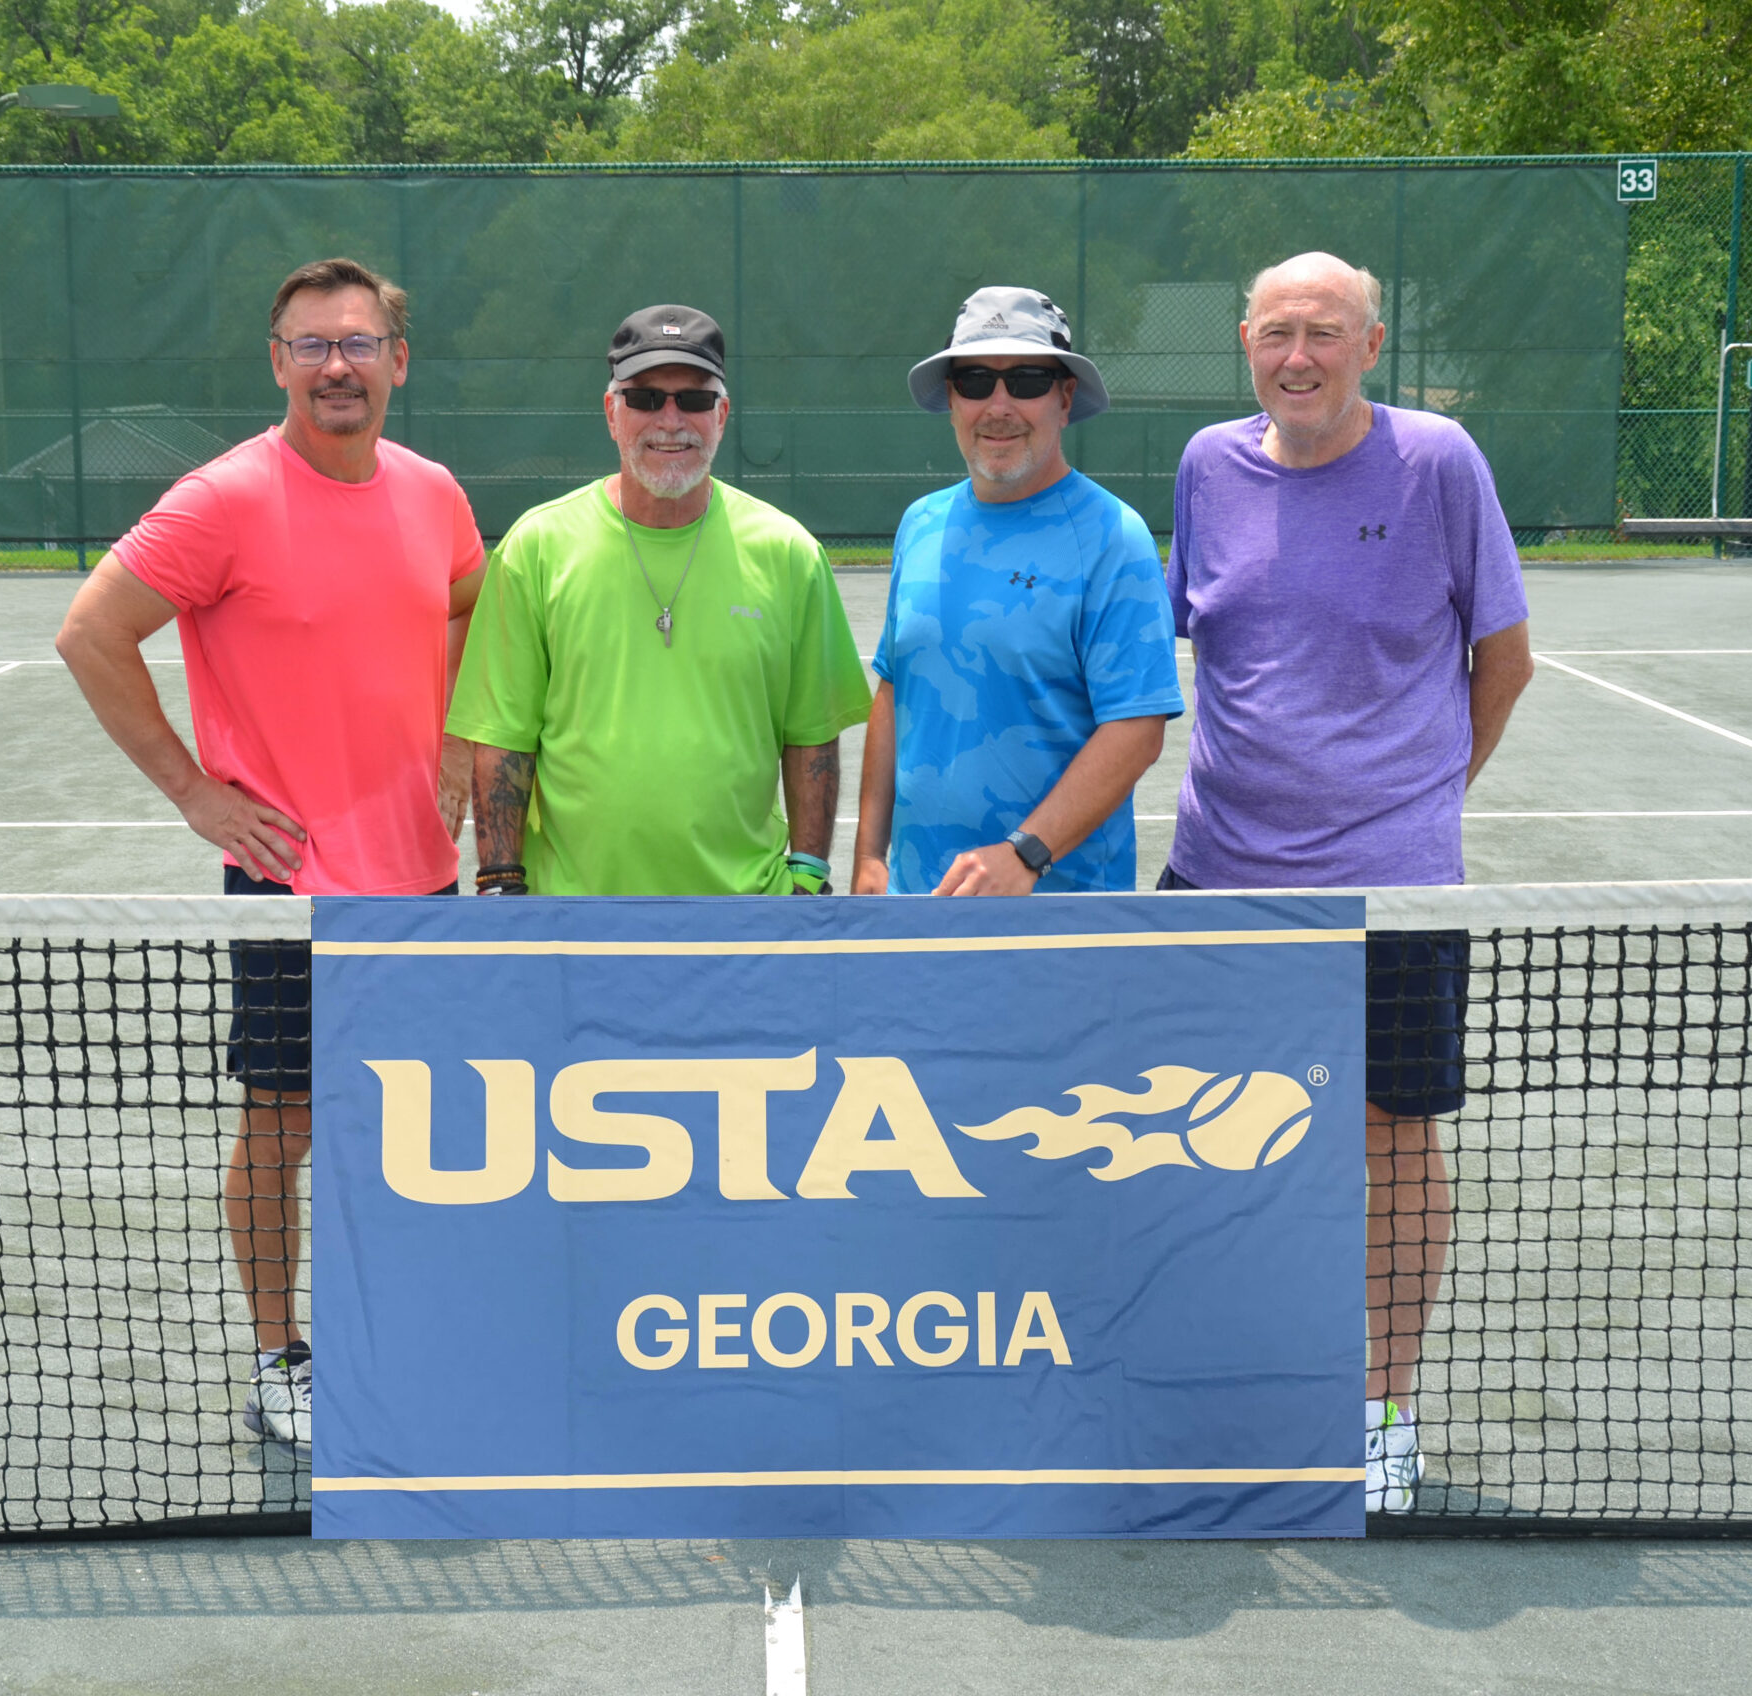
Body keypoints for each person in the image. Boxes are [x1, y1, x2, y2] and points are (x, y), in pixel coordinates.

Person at [54, 257, 485, 1453]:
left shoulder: (435, 493)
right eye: (311, 345)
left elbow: (467, 604)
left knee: (416, 1127)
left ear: (398, 361)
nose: (336, 365)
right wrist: (192, 790)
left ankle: (397, 1338)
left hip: (422, 882)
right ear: (279, 362)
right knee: (283, 1129)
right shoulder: (222, 499)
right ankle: (279, 1357)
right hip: (287, 892)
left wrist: (458, 736)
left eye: (357, 343)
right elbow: (91, 632)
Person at [1161, 251, 1535, 1513]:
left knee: (1390, 1140)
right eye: (1275, 332)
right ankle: (1240, 1388)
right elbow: (1192, 641)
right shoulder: (1207, 466)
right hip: (1217, 878)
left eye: (1323, 332)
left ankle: (1380, 1414)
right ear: (1245, 343)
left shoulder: (1438, 462)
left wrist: (1421, 797)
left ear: (1371, 345)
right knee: (1205, 1136)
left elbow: (1503, 658)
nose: (1297, 357)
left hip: (1395, 895)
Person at [448, 306, 871, 897]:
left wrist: (808, 876)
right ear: (611, 413)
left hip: (746, 916)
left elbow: (812, 736)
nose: (670, 421)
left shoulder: (790, 554)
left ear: (721, 415)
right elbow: (503, 739)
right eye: (645, 398)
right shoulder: (536, 548)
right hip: (574, 917)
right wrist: (499, 882)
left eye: (694, 399)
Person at [851, 286, 1181, 896]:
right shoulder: (920, 523)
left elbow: (1137, 730)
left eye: (1027, 380)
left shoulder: (1113, 536)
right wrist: (870, 856)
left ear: (1065, 397)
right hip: (916, 909)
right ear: (953, 399)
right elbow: (895, 691)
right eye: (975, 381)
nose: (998, 405)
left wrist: (1025, 853)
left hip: (1058, 920)